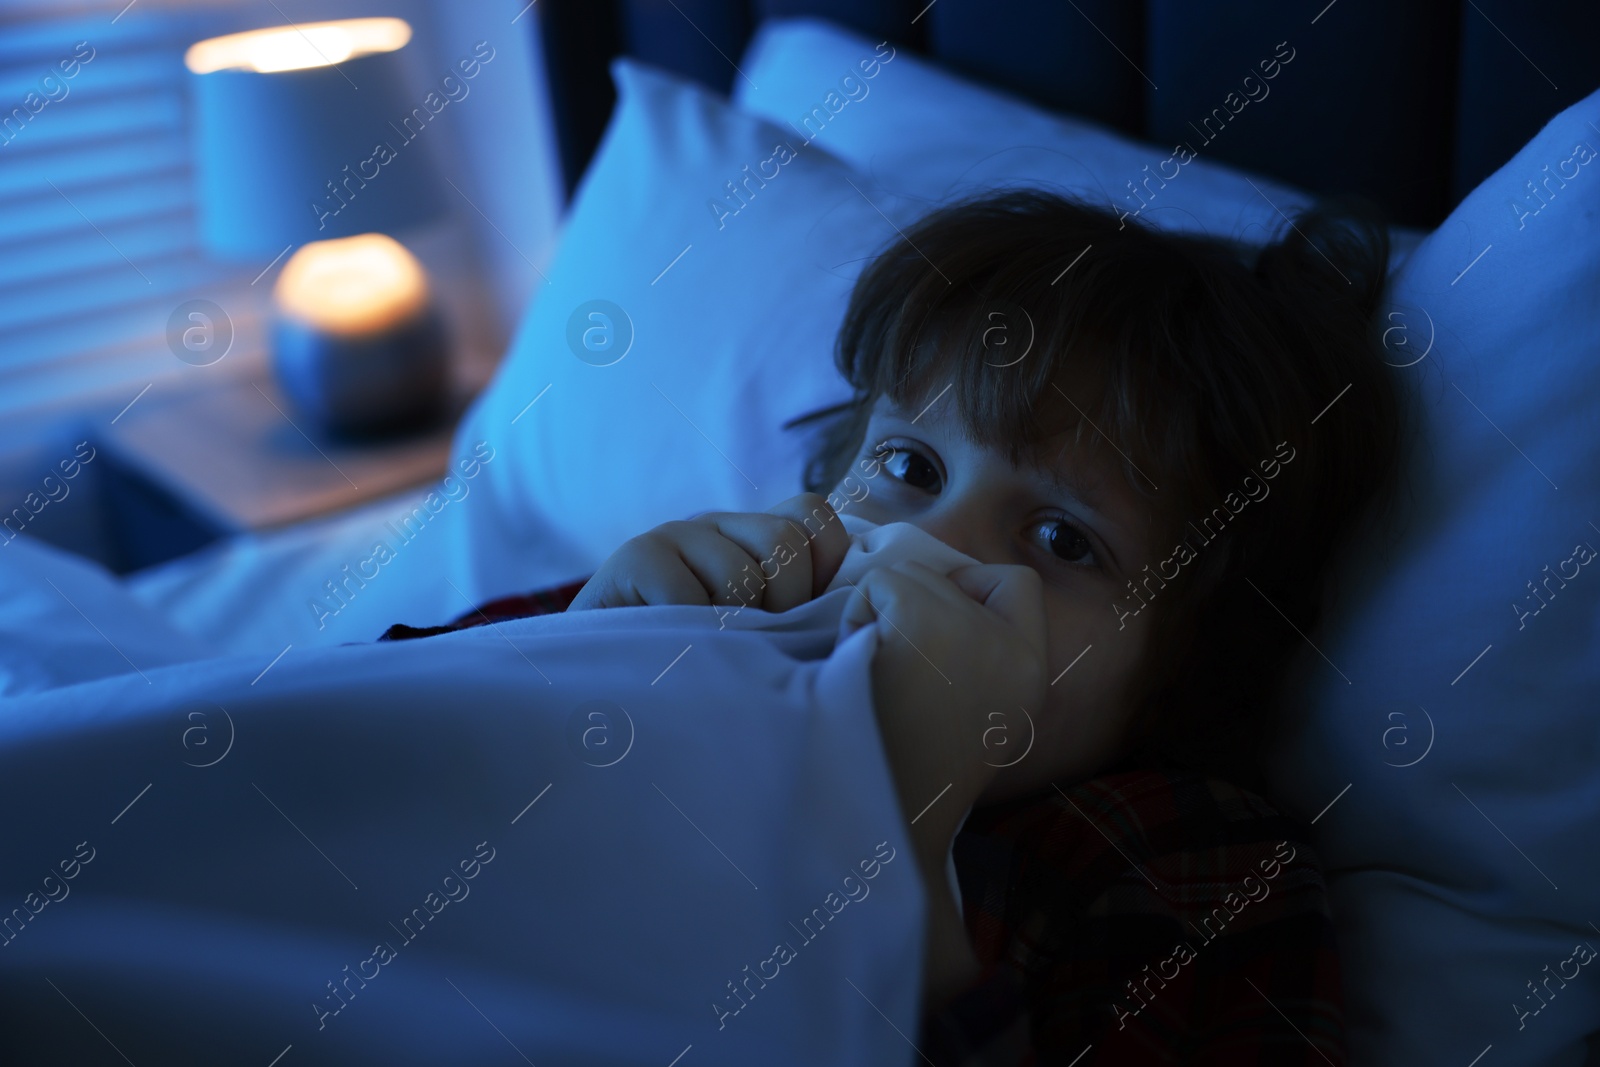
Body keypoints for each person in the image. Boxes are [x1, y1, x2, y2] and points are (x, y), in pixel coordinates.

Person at [385, 189, 1402, 1064]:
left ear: (1184, 669)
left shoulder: (1184, 862)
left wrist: (897, 847)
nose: (931, 548)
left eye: (1061, 537)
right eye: (910, 467)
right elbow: (344, 750)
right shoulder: (685, 603)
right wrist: (577, 650)